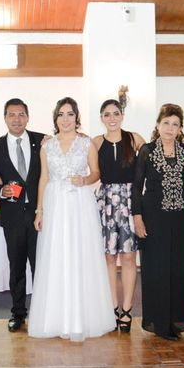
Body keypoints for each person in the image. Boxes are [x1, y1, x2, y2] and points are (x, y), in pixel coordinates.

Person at [29, 97, 116, 341]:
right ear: (55, 118)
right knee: (55, 257)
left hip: (80, 203)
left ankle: (83, 318)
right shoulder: (47, 146)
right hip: (55, 203)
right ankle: (55, 318)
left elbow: (97, 172)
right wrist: (39, 210)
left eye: (70, 114)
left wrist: (85, 180)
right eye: (61, 114)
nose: (65, 119)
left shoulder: (86, 143)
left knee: (80, 256)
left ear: (77, 117)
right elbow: (43, 178)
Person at [132, 103, 184, 341]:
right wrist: (137, 217)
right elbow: (137, 187)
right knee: (156, 270)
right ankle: (158, 323)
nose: (170, 128)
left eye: (175, 124)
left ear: (180, 129)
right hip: (153, 218)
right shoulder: (146, 151)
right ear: (158, 125)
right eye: (166, 122)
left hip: (181, 218)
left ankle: (176, 321)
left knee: (178, 269)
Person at [0, 99, 45, 332]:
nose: (17, 119)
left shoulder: (42, 141)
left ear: (28, 117)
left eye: (21, 114)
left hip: (40, 215)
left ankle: (44, 312)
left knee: (42, 266)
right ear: (5, 118)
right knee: (17, 268)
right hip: (12, 216)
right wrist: (0, 190)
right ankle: (18, 313)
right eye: (12, 115)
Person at [93, 99, 145, 332]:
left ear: (122, 115)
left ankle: (126, 309)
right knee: (108, 258)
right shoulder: (95, 142)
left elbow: (151, 164)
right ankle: (111, 307)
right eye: (106, 114)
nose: (112, 118)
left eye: (115, 113)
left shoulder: (134, 139)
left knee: (128, 257)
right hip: (105, 201)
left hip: (129, 201)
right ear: (101, 118)